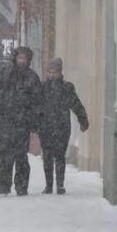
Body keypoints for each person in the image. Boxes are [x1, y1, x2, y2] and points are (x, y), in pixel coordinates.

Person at [0, 46, 41, 196]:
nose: (21, 61)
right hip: (5, 121)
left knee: (21, 156)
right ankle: (4, 186)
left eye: (24, 58)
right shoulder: (4, 74)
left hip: (22, 123)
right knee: (4, 155)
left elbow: (37, 102)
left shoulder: (32, 77)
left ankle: (21, 187)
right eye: (19, 58)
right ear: (15, 58)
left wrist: (35, 122)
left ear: (28, 60)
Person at [37, 57, 89, 195]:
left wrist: (83, 120)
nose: (52, 75)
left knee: (60, 156)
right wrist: (34, 123)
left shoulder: (66, 88)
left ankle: (60, 185)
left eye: (55, 72)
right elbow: (35, 107)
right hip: (45, 127)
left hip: (62, 127)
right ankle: (48, 185)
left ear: (60, 73)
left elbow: (76, 105)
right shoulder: (42, 88)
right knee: (47, 157)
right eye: (50, 72)